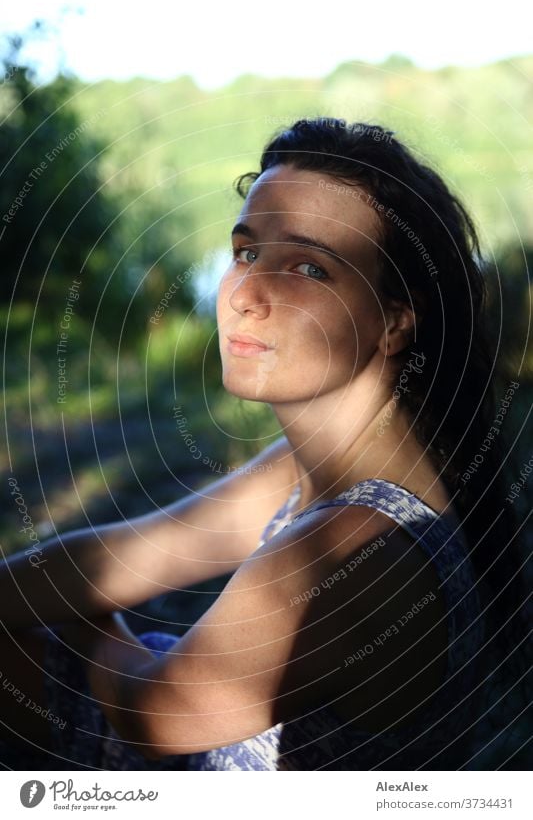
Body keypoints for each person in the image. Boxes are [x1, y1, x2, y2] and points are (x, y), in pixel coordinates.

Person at [0, 118, 528, 771]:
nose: (246, 296)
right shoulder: (319, 471)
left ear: (394, 320)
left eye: (309, 267)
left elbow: (153, 713)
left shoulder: (360, 549)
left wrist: (87, 625)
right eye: (246, 252)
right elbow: (127, 554)